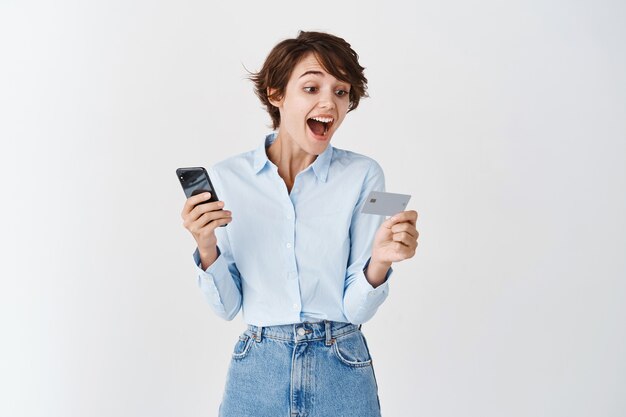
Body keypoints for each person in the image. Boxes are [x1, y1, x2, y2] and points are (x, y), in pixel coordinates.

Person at [181, 31, 419, 417]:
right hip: (258, 367)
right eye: (311, 87)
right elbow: (228, 308)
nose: (330, 103)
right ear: (276, 95)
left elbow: (355, 308)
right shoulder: (228, 178)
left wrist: (381, 261)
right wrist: (205, 245)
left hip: (340, 361)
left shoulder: (364, 176)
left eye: (341, 92)